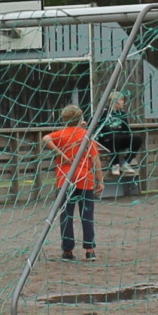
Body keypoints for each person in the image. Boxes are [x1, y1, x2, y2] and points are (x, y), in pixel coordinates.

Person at [44, 104, 102, 260]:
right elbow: (95, 159)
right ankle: (90, 250)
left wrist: (60, 153)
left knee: (66, 215)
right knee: (87, 214)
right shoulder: (86, 135)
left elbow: (46, 138)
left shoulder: (61, 134)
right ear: (80, 119)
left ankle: (67, 251)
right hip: (85, 179)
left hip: (65, 180)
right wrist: (100, 180)